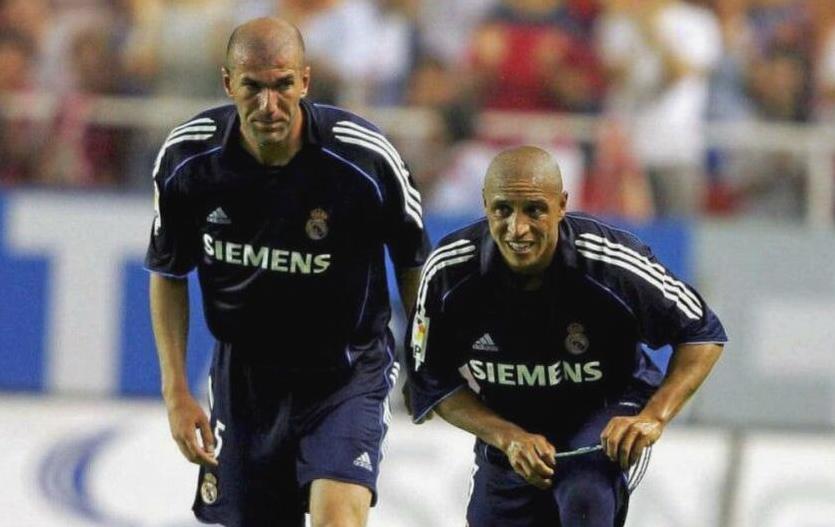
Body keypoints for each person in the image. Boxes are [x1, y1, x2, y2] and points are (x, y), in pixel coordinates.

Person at [145, 17, 430, 527]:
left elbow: (413, 262)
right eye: (252, 87)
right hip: (245, 382)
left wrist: (423, 358)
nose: (268, 105)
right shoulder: (189, 160)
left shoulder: (363, 159)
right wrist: (176, 393)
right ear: (228, 82)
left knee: (336, 520)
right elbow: (168, 273)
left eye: (282, 86)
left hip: (346, 375)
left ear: (305, 81)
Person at [405, 146, 726, 526]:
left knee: (585, 495)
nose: (517, 228)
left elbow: (702, 332)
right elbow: (431, 379)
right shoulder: (450, 272)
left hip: (603, 417)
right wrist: (507, 436)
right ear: (485, 205)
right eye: (503, 210)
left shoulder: (611, 263)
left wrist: (654, 416)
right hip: (512, 429)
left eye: (535, 210)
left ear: (562, 205)